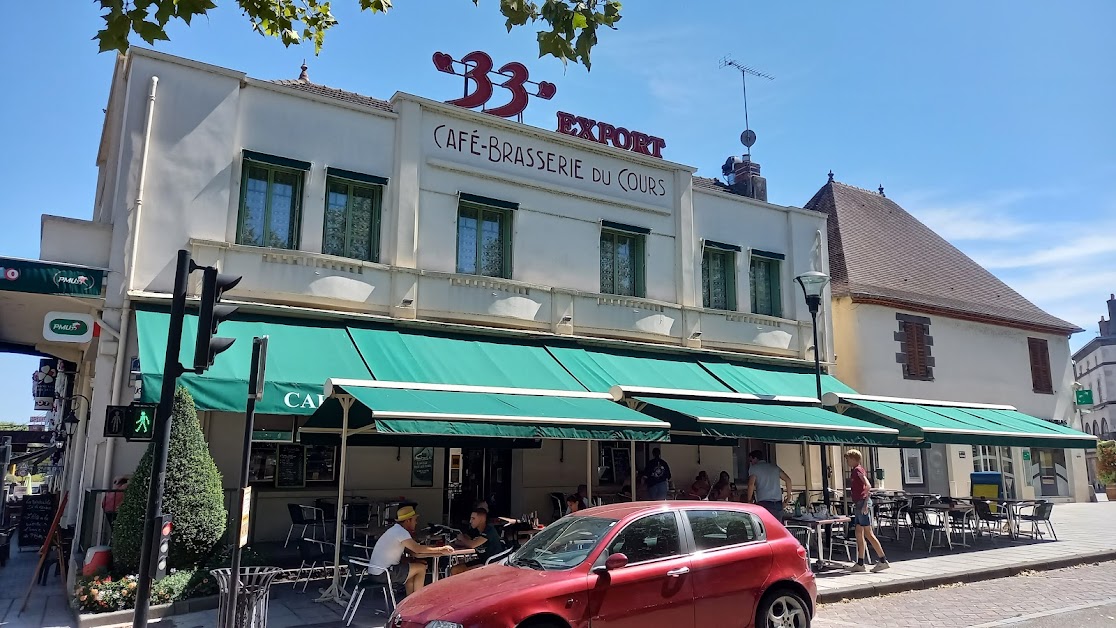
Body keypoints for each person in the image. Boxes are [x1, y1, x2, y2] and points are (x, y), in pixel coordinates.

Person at [367, 506, 454, 595]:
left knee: (414, 570)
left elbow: (406, 551)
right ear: (408, 520)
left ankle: (410, 601)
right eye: (415, 520)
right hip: (383, 573)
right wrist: (441, 549)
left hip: (376, 572)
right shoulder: (401, 532)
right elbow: (417, 549)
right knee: (421, 568)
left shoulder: (394, 529)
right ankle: (417, 600)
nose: (416, 523)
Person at [845, 449, 890, 573]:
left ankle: (882, 560)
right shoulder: (856, 470)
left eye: (848, 459)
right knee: (859, 533)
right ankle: (860, 562)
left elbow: (868, 485)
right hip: (859, 504)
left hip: (862, 504)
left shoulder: (858, 470)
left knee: (868, 533)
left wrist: (865, 502)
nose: (847, 461)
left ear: (854, 459)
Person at [450, 508, 505, 575]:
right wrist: (460, 540)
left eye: (473, 518)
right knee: (455, 569)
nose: (470, 521)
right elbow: (463, 541)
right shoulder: (475, 530)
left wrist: (462, 539)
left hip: (491, 562)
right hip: (481, 560)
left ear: (482, 519)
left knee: (457, 570)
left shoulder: (489, 530)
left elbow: (472, 545)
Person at [746, 451, 793, 519]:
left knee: (765, 527)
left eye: (751, 460)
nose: (751, 463)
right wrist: (788, 498)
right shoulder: (774, 467)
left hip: (764, 503)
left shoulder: (754, 468)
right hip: (778, 504)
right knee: (777, 527)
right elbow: (788, 480)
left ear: (755, 458)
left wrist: (749, 500)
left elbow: (751, 484)